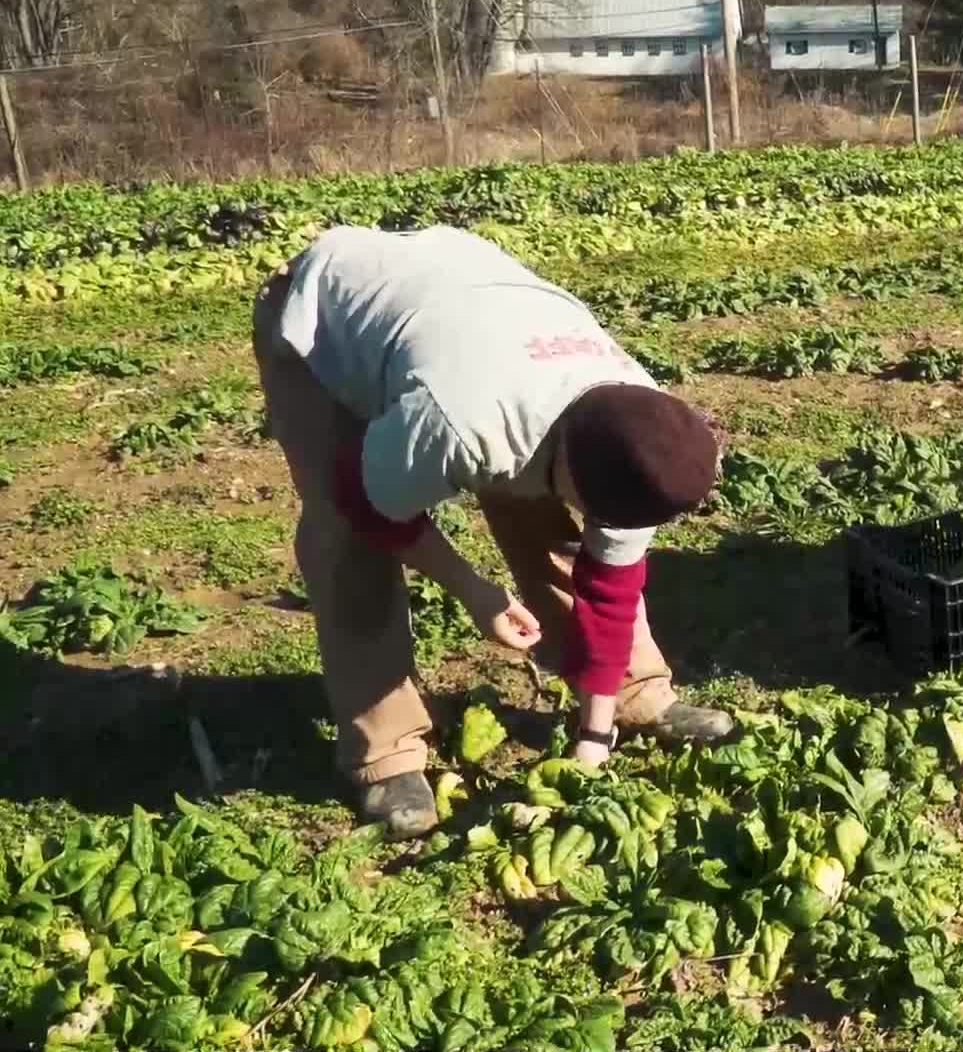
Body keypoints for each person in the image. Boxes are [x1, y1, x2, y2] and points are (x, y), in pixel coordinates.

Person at [251, 224, 736, 839]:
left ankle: (632, 693)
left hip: (467, 298)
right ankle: (386, 751)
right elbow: (363, 500)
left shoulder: (644, 429)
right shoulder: (464, 424)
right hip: (327, 315)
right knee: (349, 541)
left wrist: (592, 735)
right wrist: (475, 591)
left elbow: (611, 581)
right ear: (564, 462)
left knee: (546, 524)